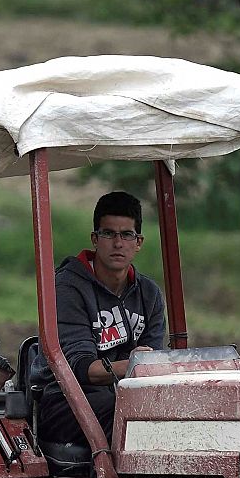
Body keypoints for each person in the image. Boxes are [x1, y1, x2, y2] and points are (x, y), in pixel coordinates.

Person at [34, 191, 167, 460]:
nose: (118, 243)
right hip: (67, 400)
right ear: (95, 239)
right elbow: (82, 369)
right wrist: (134, 364)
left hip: (122, 394)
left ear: (138, 242)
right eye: (109, 234)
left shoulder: (149, 295)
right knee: (127, 410)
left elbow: (155, 365)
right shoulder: (67, 289)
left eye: (126, 235)